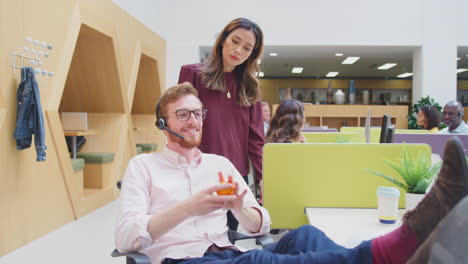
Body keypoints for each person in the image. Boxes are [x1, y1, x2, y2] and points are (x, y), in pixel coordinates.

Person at [115, 82, 468, 264]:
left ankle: (393, 251)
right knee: (259, 259)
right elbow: (126, 240)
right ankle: (398, 247)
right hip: (182, 260)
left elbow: (261, 225)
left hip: (227, 252)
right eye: (183, 115)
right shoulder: (143, 167)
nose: (193, 121)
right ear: (164, 125)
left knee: (305, 237)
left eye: (197, 114)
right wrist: (190, 207)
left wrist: (240, 206)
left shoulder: (219, 166)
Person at [178, 18, 264, 187]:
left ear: (251, 54)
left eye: (247, 48)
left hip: (236, 175)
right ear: (223, 39)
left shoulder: (250, 88)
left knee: (236, 215)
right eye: (235, 41)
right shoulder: (193, 74)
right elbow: (179, 125)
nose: (238, 50)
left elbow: (256, 140)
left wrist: (262, 176)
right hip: (197, 172)